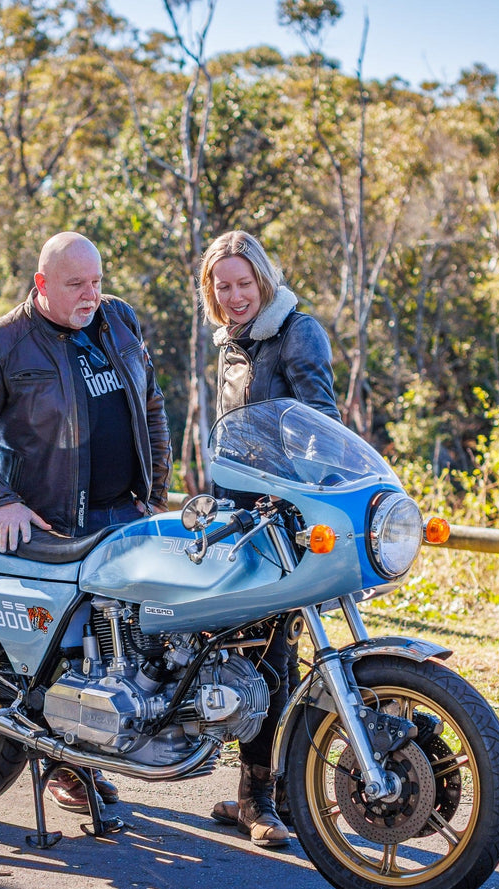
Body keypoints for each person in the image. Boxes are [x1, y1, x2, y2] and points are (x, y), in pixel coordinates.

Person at [0, 231, 171, 812]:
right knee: (63, 653)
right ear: (42, 285)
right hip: (54, 523)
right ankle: (64, 768)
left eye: (97, 281)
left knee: (125, 652)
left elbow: (152, 408)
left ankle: (108, 748)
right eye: (76, 285)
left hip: (124, 514)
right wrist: (2, 502)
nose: (91, 295)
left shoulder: (118, 321)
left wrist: (154, 494)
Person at [199, 229, 341, 847]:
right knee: (244, 652)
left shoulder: (296, 332)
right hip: (239, 514)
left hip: (283, 516)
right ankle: (262, 791)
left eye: (243, 282)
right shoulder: (231, 344)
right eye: (222, 286)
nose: (234, 295)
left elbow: (322, 422)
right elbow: (234, 431)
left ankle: (264, 799)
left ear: (263, 278)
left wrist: (298, 488)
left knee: (273, 655)